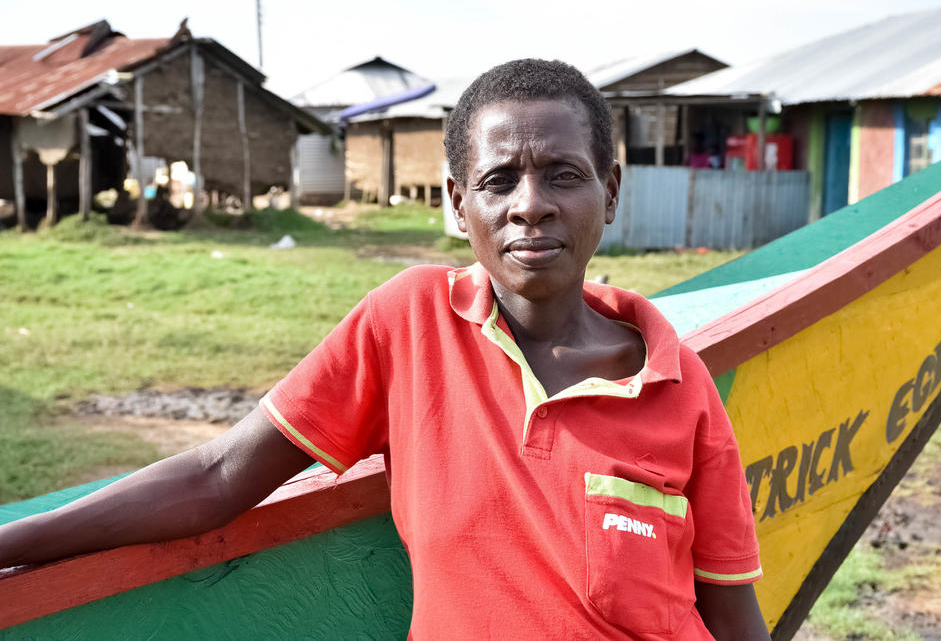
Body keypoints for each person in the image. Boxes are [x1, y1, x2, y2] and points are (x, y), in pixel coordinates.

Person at [0, 59, 769, 640]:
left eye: (563, 176)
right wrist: (9, 541)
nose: (530, 205)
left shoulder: (678, 386)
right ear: (456, 202)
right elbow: (217, 475)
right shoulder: (411, 326)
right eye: (499, 180)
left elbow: (733, 614)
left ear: (611, 189)